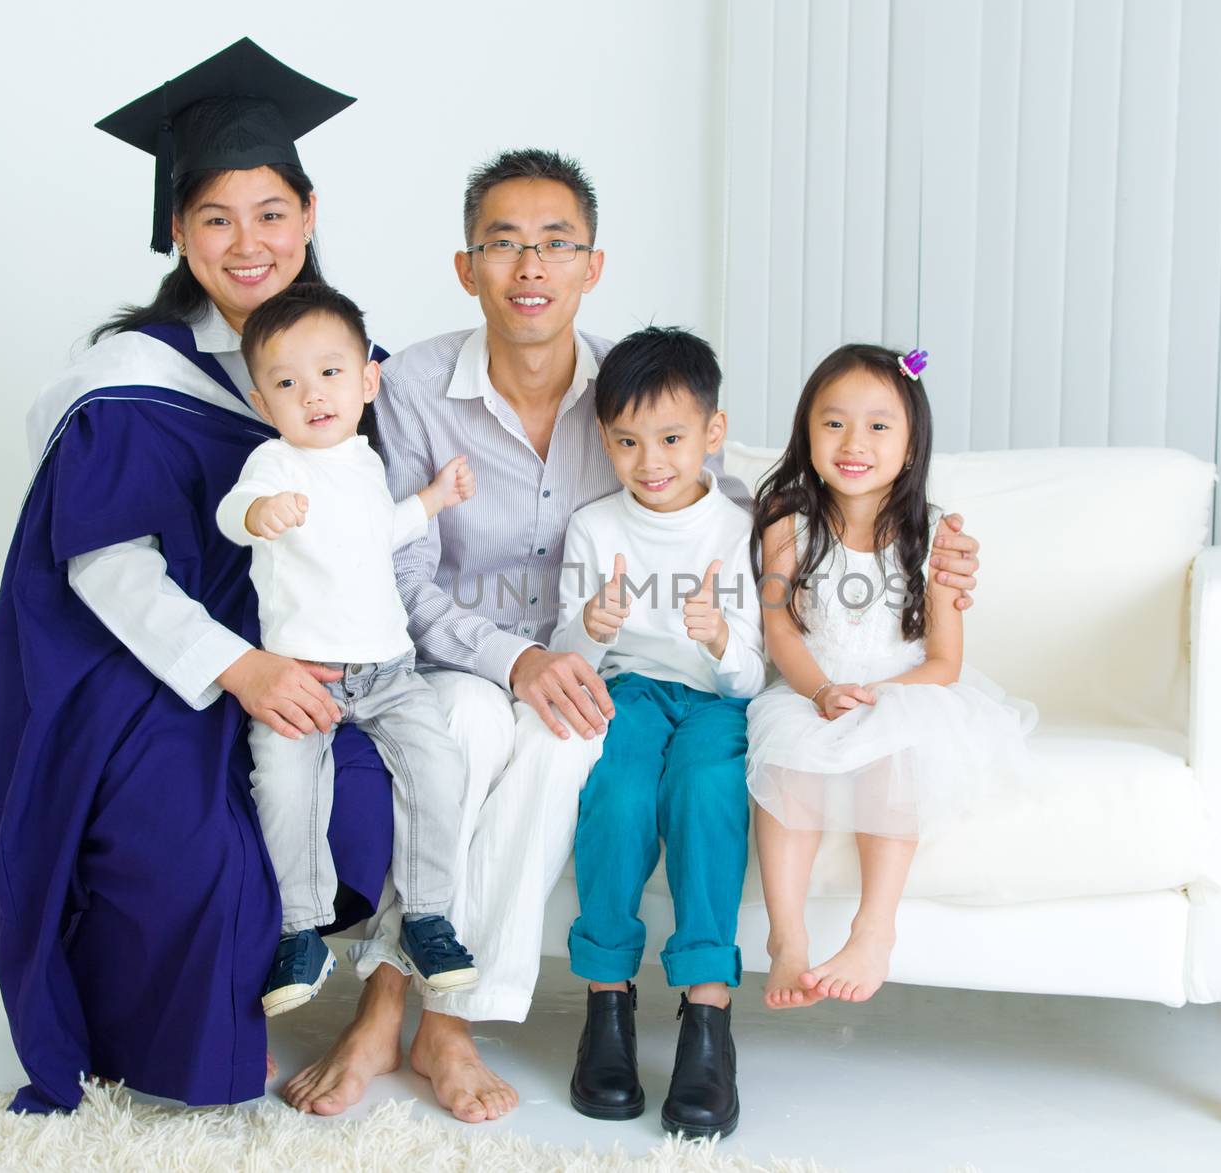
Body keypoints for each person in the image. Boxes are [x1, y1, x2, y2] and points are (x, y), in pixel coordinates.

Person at [282, 149, 987, 1123]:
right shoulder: (409, 389)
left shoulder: (633, 386)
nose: (530, 267)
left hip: (596, 678)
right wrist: (518, 658)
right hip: (462, 657)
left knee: (561, 758)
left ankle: (453, 1022)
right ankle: (388, 1006)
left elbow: (729, 504)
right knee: (472, 733)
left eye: (555, 244)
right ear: (466, 265)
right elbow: (395, 568)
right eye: (504, 244)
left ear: (591, 265)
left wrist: (911, 539)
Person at [0, 40, 401, 1112]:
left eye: (270, 213)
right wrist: (241, 669)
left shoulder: (341, 363)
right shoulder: (133, 374)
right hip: (155, 663)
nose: (246, 243)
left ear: (309, 214)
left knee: (364, 783)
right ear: (176, 229)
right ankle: (164, 1038)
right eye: (215, 217)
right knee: (188, 829)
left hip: (314, 651)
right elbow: (109, 571)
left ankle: (331, 984)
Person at [215, 283, 480, 1017]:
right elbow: (231, 513)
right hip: (306, 677)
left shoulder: (364, 461)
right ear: (263, 401)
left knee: (438, 763)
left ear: (368, 380)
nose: (313, 394)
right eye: (287, 382)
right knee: (285, 785)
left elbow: (380, 534)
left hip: (389, 671)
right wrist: (259, 512)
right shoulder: (276, 463)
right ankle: (301, 928)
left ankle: (427, 915)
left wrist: (431, 501)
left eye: (331, 373)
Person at [747, 344, 1038, 1010]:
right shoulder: (787, 523)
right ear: (807, 432)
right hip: (811, 684)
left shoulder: (934, 535)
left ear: (911, 446)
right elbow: (781, 629)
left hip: (905, 688)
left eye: (879, 425)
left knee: (893, 742)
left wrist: (877, 698)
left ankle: (873, 930)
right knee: (785, 751)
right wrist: (821, 690)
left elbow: (943, 663)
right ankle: (786, 938)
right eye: (834, 422)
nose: (855, 441)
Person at [551, 327, 762, 1139]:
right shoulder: (596, 526)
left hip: (714, 700)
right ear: (604, 439)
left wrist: (716, 637)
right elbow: (573, 657)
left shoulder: (739, 529)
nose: (651, 461)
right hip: (627, 691)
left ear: (713, 432)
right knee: (619, 790)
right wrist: (592, 627)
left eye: (672, 438)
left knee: (707, 789)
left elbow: (749, 676)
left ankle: (708, 1021)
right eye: (628, 441)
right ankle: (607, 1005)